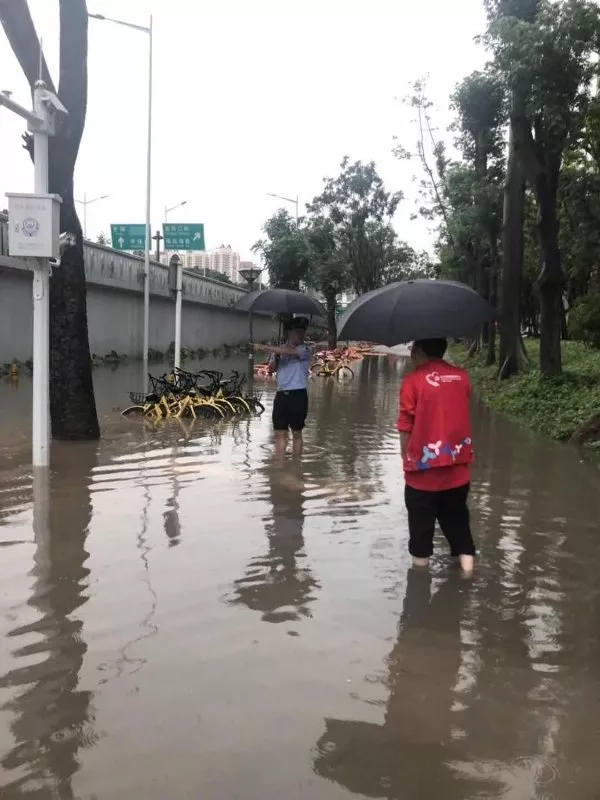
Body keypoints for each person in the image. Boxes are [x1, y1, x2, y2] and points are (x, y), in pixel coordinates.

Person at [397, 338, 475, 573]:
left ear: (420, 350)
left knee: (421, 537)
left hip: (422, 476)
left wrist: (405, 457)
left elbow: (405, 426)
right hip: (457, 471)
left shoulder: (412, 381)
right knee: (460, 530)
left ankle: (420, 585)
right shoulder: (462, 377)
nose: (411, 352)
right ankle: (468, 577)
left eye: (412, 348)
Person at [253, 317, 312, 457]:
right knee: (279, 432)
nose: (301, 335)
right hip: (281, 395)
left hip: (298, 395)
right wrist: (277, 357)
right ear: (289, 333)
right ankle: (279, 464)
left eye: (302, 332)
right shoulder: (279, 351)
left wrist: (266, 347)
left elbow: (291, 353)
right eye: (297, 332)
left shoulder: (305, 349)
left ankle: (296, 464)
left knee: (296, 433)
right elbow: (271, 369)